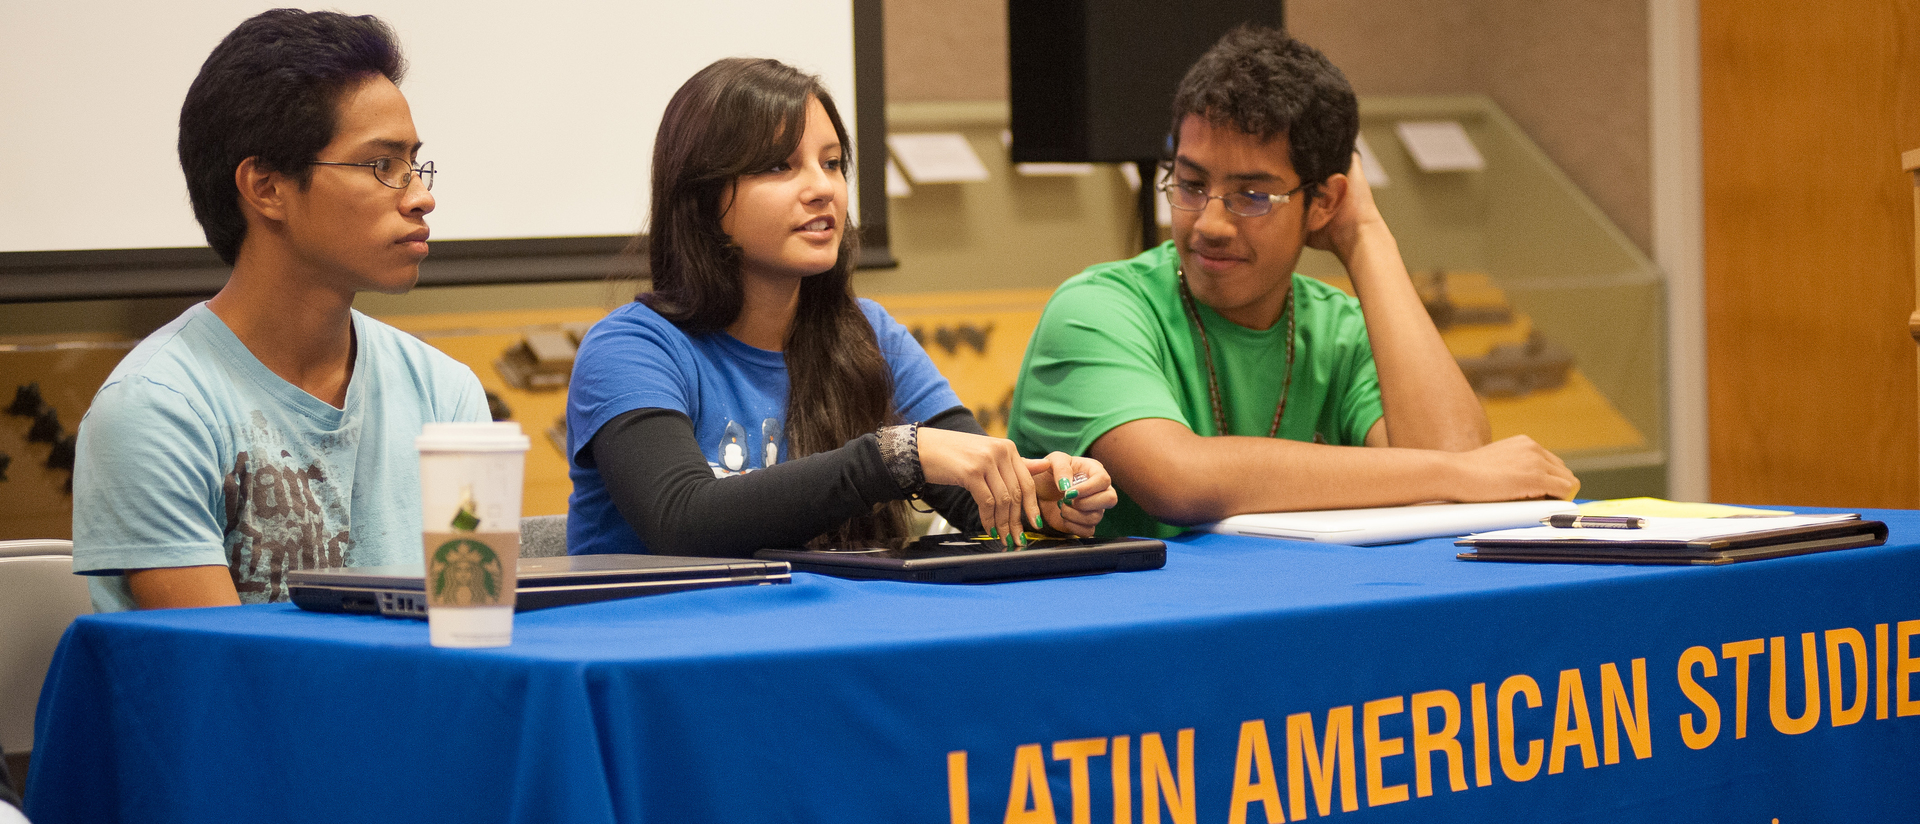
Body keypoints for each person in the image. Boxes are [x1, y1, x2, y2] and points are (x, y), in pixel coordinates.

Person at [1007, 26, 1578, 539]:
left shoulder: (1339, 329)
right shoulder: (1095, 309)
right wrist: (1456, 473)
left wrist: (1367, 238)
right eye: (1189, 184)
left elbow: (1459, 475)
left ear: (1323, 201)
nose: (1210, 222)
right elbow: (1178, 479)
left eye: (1252, 196)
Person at [566, 58, 1116, 557]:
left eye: (832, 164)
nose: (822, 188)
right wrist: (893, 458)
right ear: (703, 200)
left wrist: (1046, 499)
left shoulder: (870, 333)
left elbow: (984, 508)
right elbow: (681, 521)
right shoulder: (632, 348)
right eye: (781, 167)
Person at [70, 10, 487, 610]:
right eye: (382, 165)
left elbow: (474, 633)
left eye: (413, 163)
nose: (422, 196)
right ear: (265, 188)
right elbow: (221, 676)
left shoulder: (445, 394)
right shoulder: (157, 409)